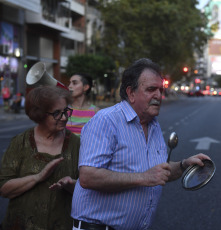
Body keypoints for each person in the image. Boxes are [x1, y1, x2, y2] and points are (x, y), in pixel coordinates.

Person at [71, 58, 210, 230]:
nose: (159, 96)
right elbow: (88, 176)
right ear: (131, 93)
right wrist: (143, 177)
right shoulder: (106, 120)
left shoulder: (153, 124)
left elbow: (158, 171)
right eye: (151, 89)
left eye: (161, 90)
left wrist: (183, 165)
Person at [0, 85, 80, 230]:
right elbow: (4, 188)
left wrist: (71, 185)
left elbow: (87, 188)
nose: (64, 117)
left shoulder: (76, 144)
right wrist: (38, 177)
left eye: (66, 111)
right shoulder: (20, 142)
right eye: (57, 113)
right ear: (39, 114)